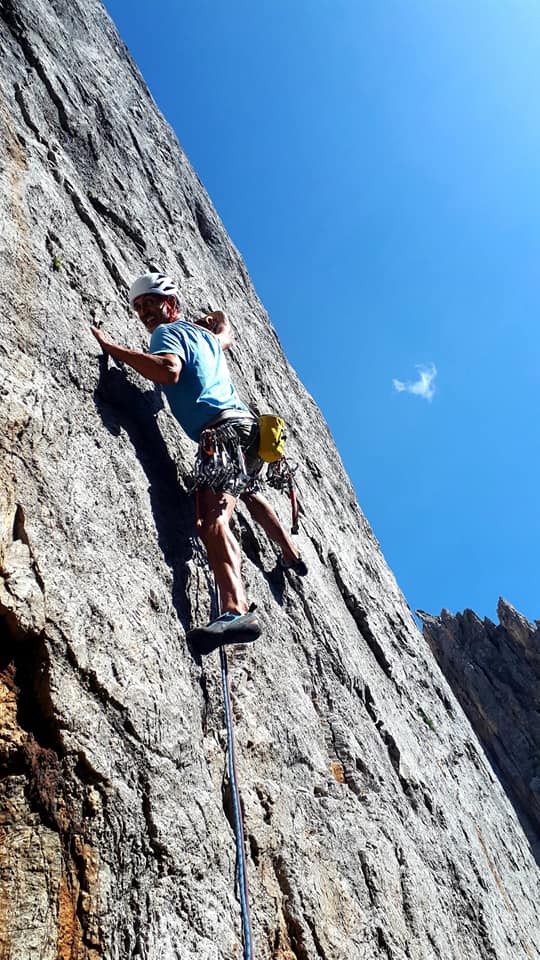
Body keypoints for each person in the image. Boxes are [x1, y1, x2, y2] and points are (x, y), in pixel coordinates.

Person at [91, 272, 306, 654]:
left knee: (211, 520)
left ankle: (236, 609)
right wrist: (216, 317)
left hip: (220, 433)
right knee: (247, 491)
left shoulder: (166, 335)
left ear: (170, 305)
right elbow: (227, 331)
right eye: (139, 307)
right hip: (250, 433)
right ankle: (289, 552)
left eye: (151, 303)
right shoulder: (208, 338)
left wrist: (113, 348)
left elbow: (168, 371)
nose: (144, 313)